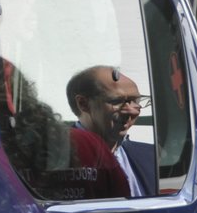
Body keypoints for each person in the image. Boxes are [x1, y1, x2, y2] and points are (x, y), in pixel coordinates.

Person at [66, 65, 157, 196]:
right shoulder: (54, 160)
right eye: (117, 101)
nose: (131, 110)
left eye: (135, 101)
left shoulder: (153, 155)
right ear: (83, 104)